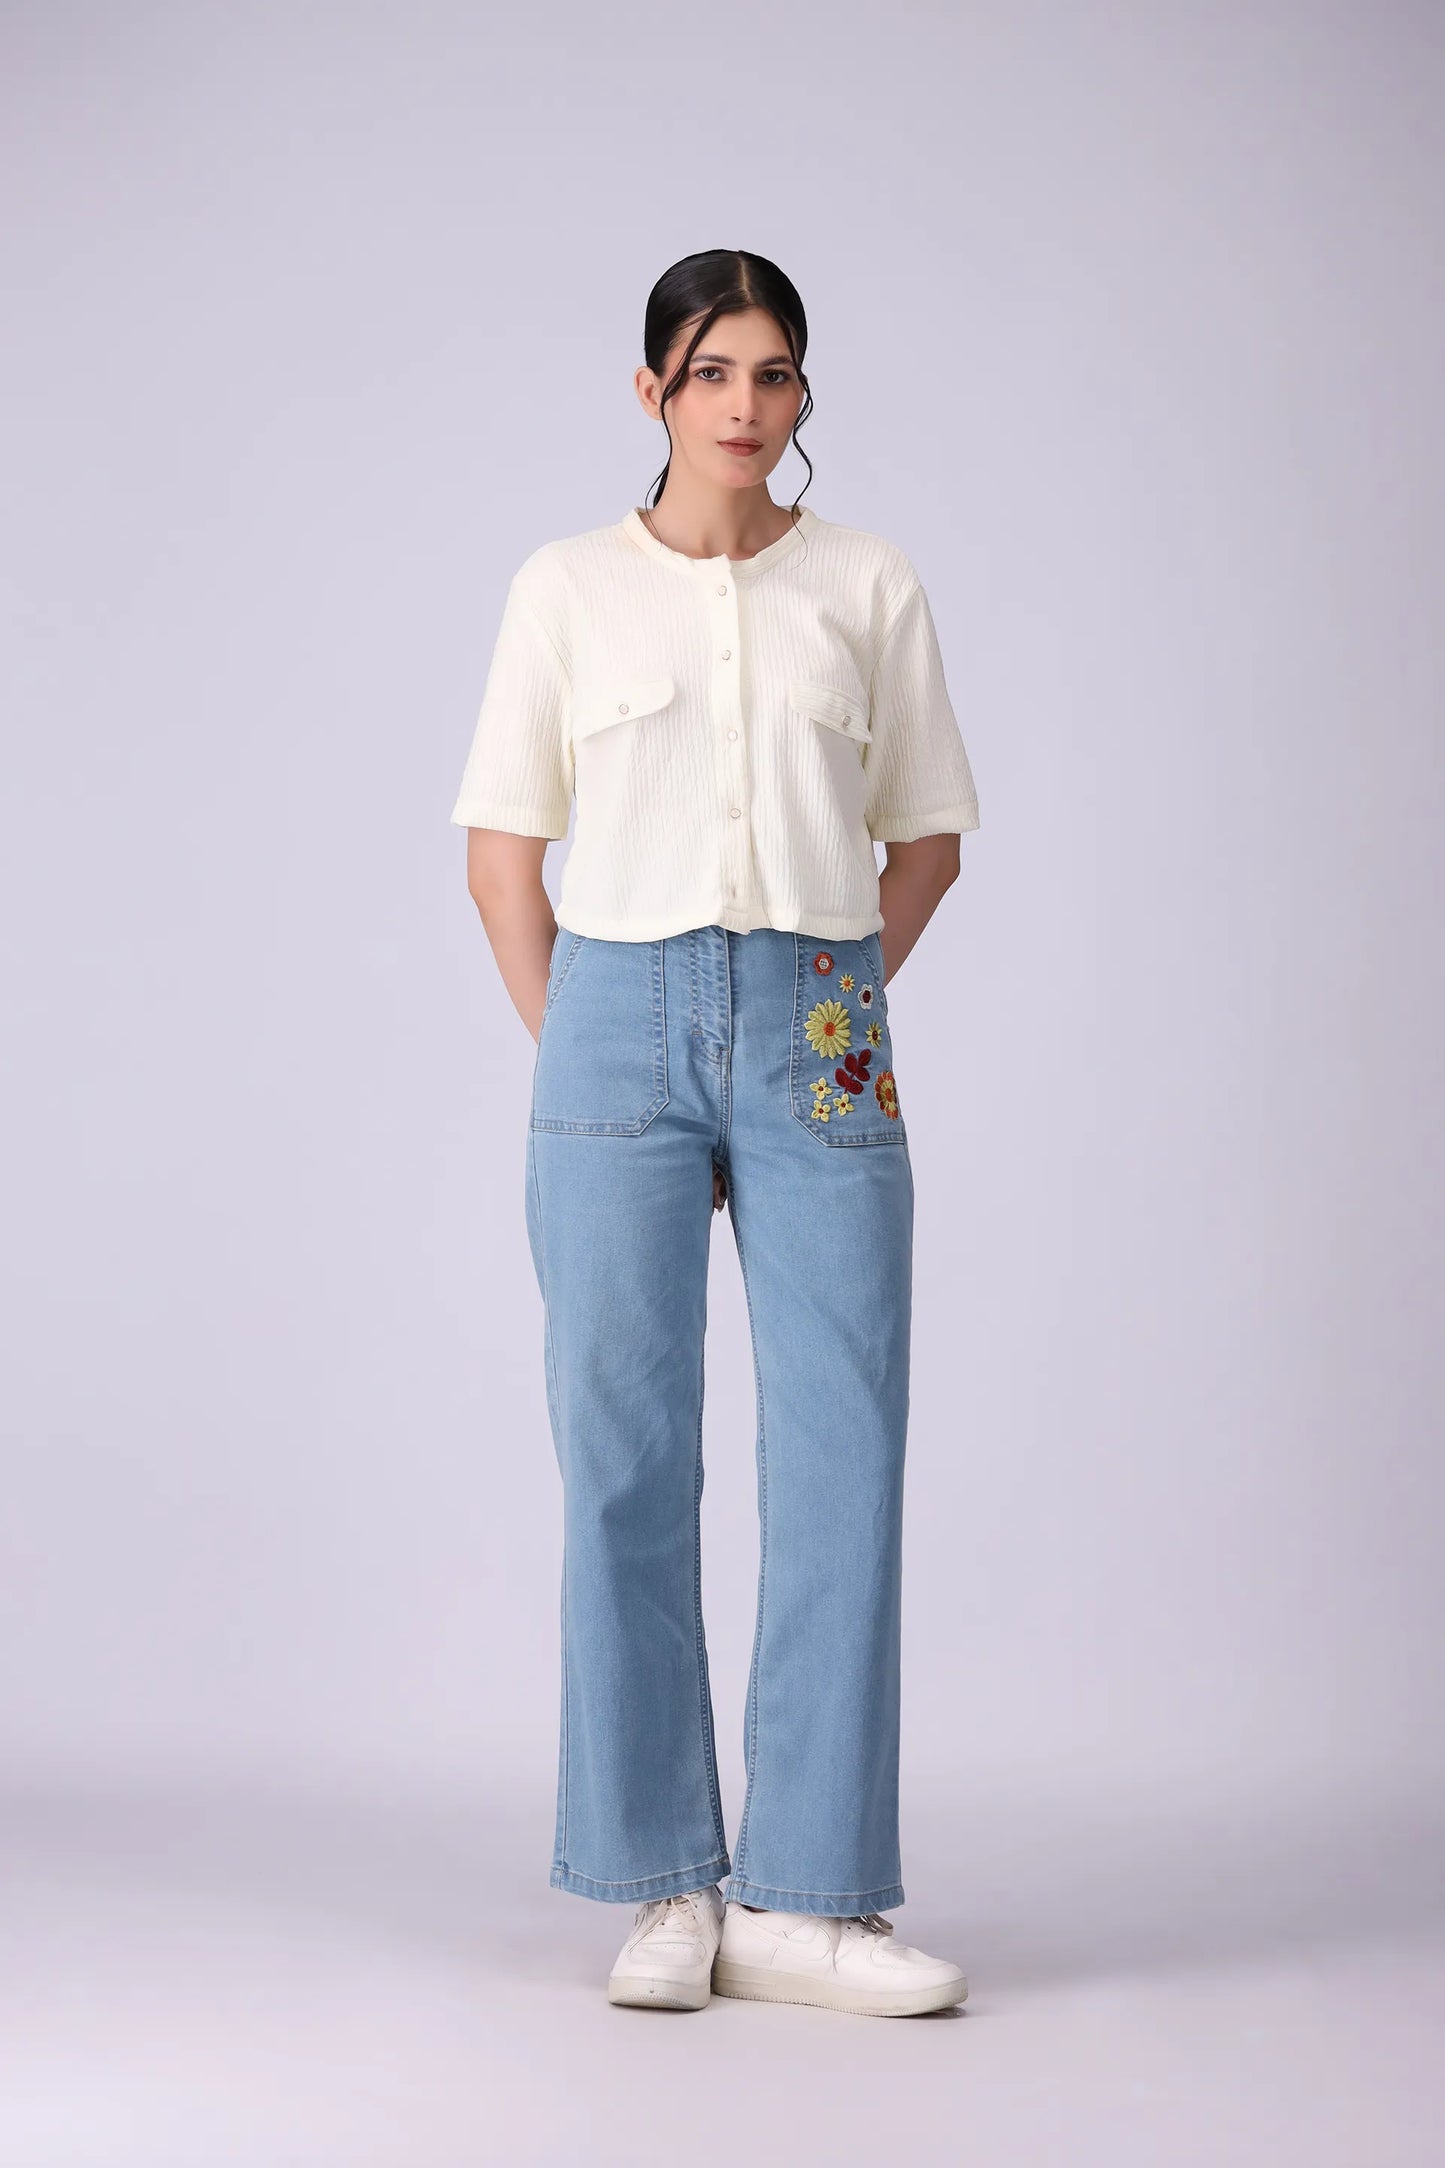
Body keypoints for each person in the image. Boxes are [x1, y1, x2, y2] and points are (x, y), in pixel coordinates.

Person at [451, 250, 979, 2018]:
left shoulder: (866, 583)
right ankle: (663, 1883)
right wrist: (581, 1047)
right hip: (610, 1010)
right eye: (708, 373)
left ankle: (810, 1899)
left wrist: (824, 1010)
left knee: (844, 1447)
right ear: (651, 393)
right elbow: (504, 854)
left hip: (819, 1014)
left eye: (772, 374)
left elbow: (925, 842)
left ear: (802, 394)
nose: (743, 406)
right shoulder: (566, 587)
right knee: (621, 1456)